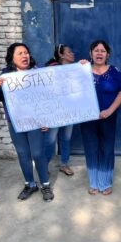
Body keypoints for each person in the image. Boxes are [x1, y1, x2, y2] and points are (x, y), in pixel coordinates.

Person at [0, 43, 54, 202]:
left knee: (38, 153)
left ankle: (45, 185)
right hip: (15, 122)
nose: (24, 56)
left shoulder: (37, 72)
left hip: (35, 121)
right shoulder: (6, 74)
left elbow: (48, 97)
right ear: (12, 57)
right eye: (20, 53)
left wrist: (47, 118)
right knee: (23, 154)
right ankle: (30, 184)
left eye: (26, 52)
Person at [80, 40, 121, 195]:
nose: (99, 53)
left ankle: (105, 182)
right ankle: (93, 182)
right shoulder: (82, 71)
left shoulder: (114, 71)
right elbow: (69, 87)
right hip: (88, 118)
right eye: (96, 50)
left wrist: (110, 110)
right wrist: (77, 68)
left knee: (107, 149)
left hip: (108, 117)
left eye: (103, 51)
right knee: (91, 148)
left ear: (108, 54)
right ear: (90, 53)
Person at [43, 44, 76, 177]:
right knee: (50, 140)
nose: (72, 54)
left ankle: (64, 164)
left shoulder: (75, 70)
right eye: (69, 52)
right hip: (54, 112)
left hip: (69, 111)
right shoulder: (51, 70)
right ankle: (43, 166)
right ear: (61, 55)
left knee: (66, 139)